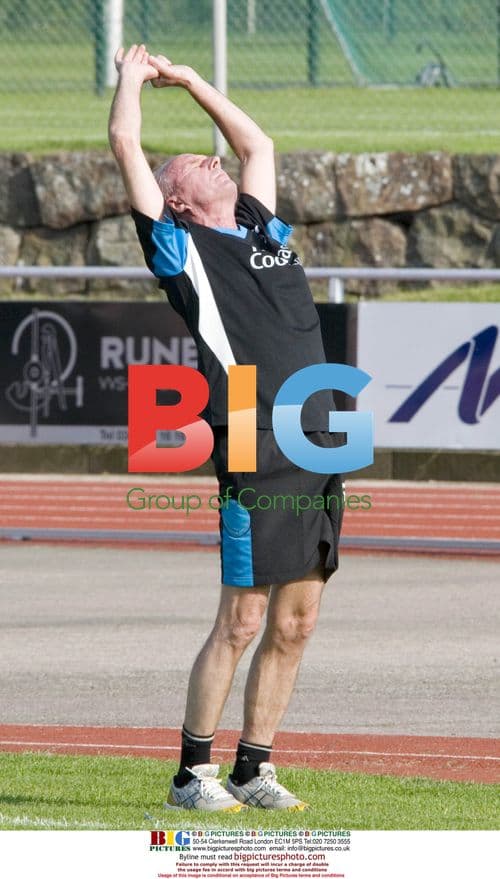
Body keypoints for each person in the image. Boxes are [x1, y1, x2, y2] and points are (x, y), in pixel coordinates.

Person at [109, 44, 344, 812]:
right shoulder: (177, 247)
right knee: (242, 617)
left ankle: (254, 767)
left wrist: (193, 81)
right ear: (173, 198)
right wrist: (133, 82)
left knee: (298, 619)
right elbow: (123, 144)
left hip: (322, 426)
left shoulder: (260, 226)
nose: (211, 163)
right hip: (249, 430)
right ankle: (191, 775)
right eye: (191, 165)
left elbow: (258, 145)